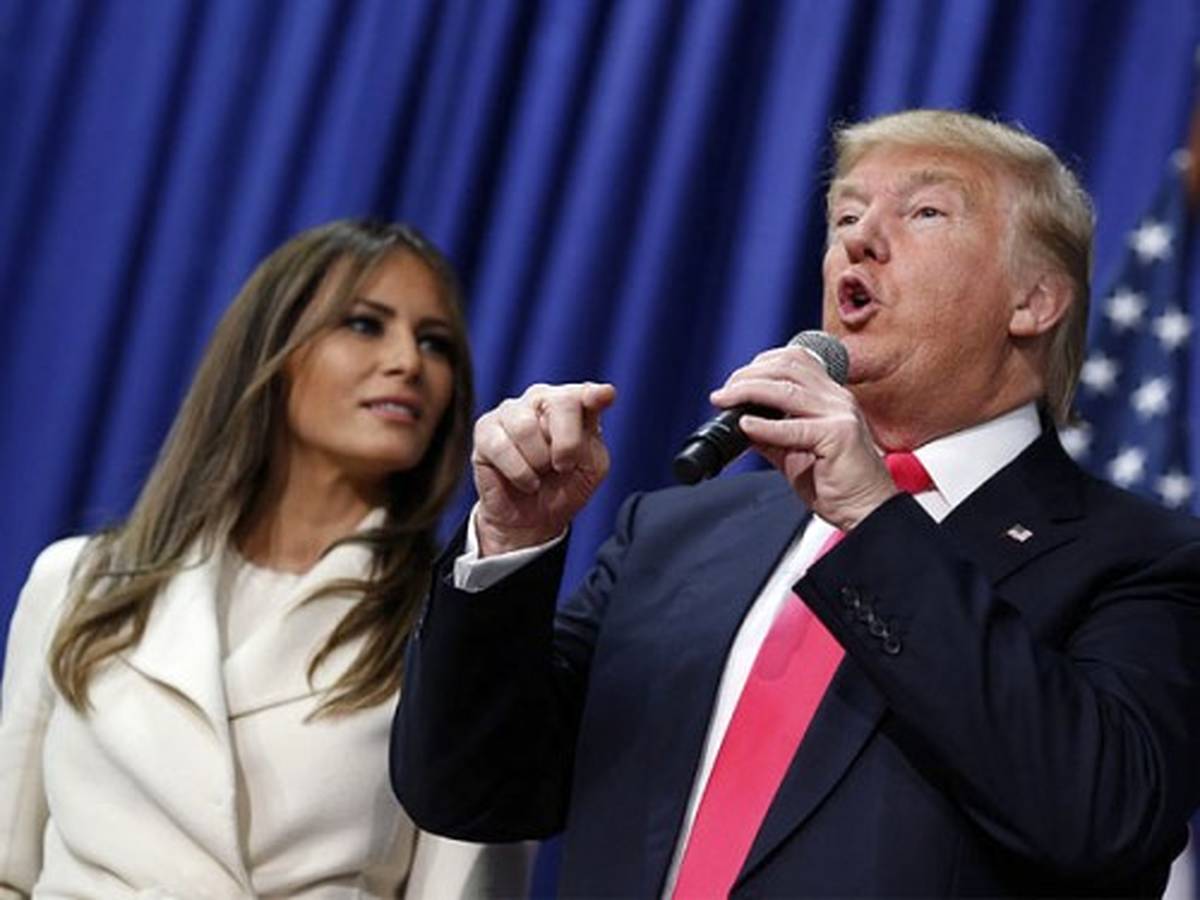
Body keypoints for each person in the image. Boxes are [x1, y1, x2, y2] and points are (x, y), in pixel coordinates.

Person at [391, 110, 1200, 896]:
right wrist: (510, 541)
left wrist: (874, 519)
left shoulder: (1144, 559)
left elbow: (1105, 823)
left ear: (1034, 301)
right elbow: (471, 789)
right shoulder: (676, 535)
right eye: (845, 214)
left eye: (924, 211)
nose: (860, 237)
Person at [0, 220, 531, 898]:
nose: (408, 362)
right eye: (365, 325)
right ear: (271, 351)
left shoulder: (458, 635)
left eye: (435, 343)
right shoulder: (78, 582)